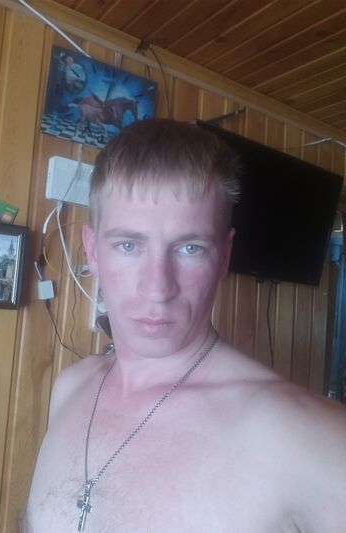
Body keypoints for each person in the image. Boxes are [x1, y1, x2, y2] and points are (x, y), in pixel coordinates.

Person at [24, 119, 346, 532]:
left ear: (224, 255)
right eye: (128, 245)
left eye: (190, 247)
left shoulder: (309, 440)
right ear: (93, 250)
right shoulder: (70, 388)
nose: (158, 288)